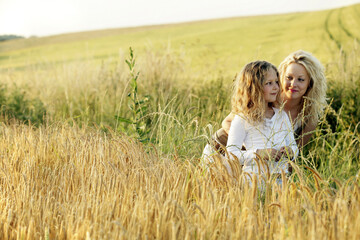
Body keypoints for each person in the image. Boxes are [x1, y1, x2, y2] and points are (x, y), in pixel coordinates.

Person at [202, 61, 298, 183]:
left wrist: (291, 151)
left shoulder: (282, 116)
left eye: (276, 82)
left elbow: (294, 146)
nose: (276, 87)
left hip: (279, 182)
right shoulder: (243, 119)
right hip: (253, 183)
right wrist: (258, 154)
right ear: (254, 88)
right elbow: (231, 155)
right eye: (269, 83)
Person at [218, 50, 327, 152]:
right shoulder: (266, 97)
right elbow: (227, 122)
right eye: (289, 78)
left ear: (310, 83)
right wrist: (252, 149)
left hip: (260, 165)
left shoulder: (310, 117)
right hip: (222, 149)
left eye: (301, 80)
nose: (293, 84)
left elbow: (295, 153)